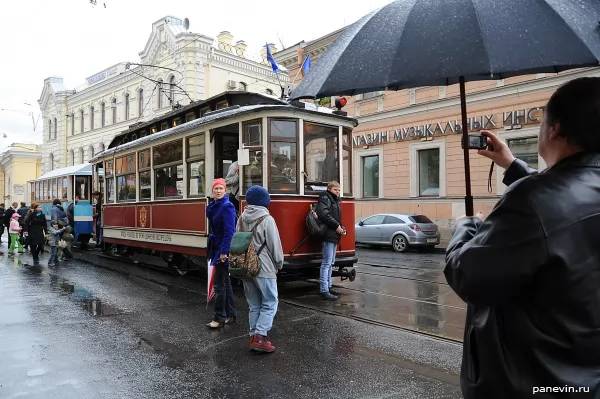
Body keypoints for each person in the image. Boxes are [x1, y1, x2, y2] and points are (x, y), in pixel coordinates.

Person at [445, 77, 600, 399]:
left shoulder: (532, 200)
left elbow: (469, 276)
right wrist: (511, 164)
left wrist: (465, 227)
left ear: (554, 128)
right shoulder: (551, 197)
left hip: (529, 379)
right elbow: (562, 211)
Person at [237, 185, 284, 352]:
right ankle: (260, 336)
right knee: (270, 302)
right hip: (264, 267)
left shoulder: (241, 218)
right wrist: (279, 263)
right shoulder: (267, 219)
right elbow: (275, 246)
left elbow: (238, 242)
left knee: (254, 304)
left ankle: (253, 336)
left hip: (246, 267)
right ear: (264, 201)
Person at [206, 178, 237, 328]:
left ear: (225, 190)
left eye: (221, 188)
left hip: (222, 249)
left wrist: (225, 251)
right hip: (217, 246)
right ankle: (231, 314)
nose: (218, 191)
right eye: (216, 188)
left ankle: (218, 318)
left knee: (219, 285)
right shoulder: (213, 205)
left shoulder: (227, 206)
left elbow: (230, 231)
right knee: (225, 282)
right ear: (212, 191)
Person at [316, 181, 345, 301]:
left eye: (338, 190)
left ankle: (328, 286)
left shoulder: (334, 200)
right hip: (328, 234)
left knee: (331, 262)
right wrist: (337, 227)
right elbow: (324, 215)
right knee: (327, 263)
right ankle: (324, 290)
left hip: (333, 234)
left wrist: (342, 228)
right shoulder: (325, 198)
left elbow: (337, 218)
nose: (337, 192)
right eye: (335, 190)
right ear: (329, 189)